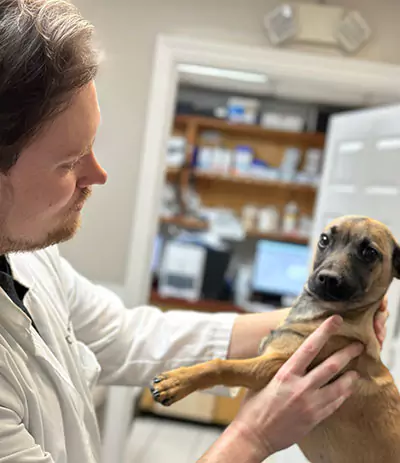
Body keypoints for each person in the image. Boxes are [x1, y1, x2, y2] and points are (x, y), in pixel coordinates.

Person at [0, 1, 388, 462]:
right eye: (68, 162)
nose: (99, 174)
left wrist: (323, 325)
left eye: (92, 147)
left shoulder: (29, 259)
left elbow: (127, 335)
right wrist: (253, 437)